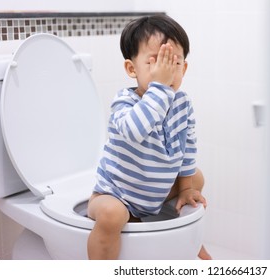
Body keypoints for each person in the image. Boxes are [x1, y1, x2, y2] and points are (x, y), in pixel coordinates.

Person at [87, 14, 211, 260]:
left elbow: (188, 148)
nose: (165, 71)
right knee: (113, 214)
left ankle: (188, 244)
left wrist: (185, 188)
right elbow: (135, 130)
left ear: (184, 68)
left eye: (173, 63)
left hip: (154, 193)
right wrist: (160, 89)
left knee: (195, 177)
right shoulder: (125, 102)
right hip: (116, 194)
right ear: (131, 69)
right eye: (155, 63)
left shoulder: (182, 104)